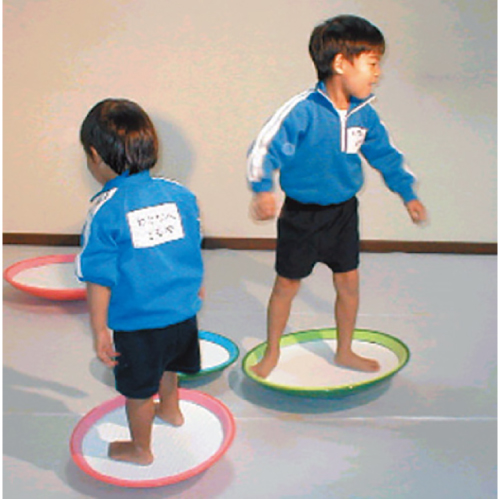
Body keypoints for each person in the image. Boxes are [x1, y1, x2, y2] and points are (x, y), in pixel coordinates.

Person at [247, 14, 427, 379]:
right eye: (372, 64)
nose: (378, 74)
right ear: (341, 64)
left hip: (343, 213)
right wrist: (262, 189)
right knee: (286, 285)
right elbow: (265, 147)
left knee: (348, 283)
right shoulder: (302, 111)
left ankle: (345, 350)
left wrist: (407, 193)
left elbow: (386, 155)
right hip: (301, 215)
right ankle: (273, 350)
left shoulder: (364, 115)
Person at [76, 98, 204, 465]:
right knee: (169, 365)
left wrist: (100, 330)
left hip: (139, 324)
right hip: (182, 314)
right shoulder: (179, 195)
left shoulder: (105, 209)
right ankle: (172, 411)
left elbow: (98, 278)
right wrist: (193, 289)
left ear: (95, 155)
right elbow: (191, 244)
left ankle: (140, 449)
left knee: (138, 391)